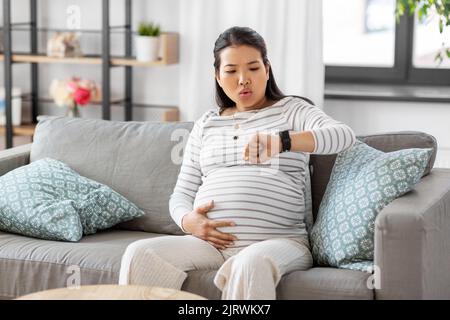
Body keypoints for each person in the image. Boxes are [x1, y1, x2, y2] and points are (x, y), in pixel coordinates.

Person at [119, 26, 356, 300]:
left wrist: (282, 142)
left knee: (250, 263)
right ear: (218, 77)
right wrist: (189, 221)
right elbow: (181, 194)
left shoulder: (292, 110)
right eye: (231, 71)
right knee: (140, 253)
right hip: (210, 245)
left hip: (279, 242)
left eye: (253, 68)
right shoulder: (207, 124)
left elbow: (343, 136)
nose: (244, 79)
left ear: (267, 69)